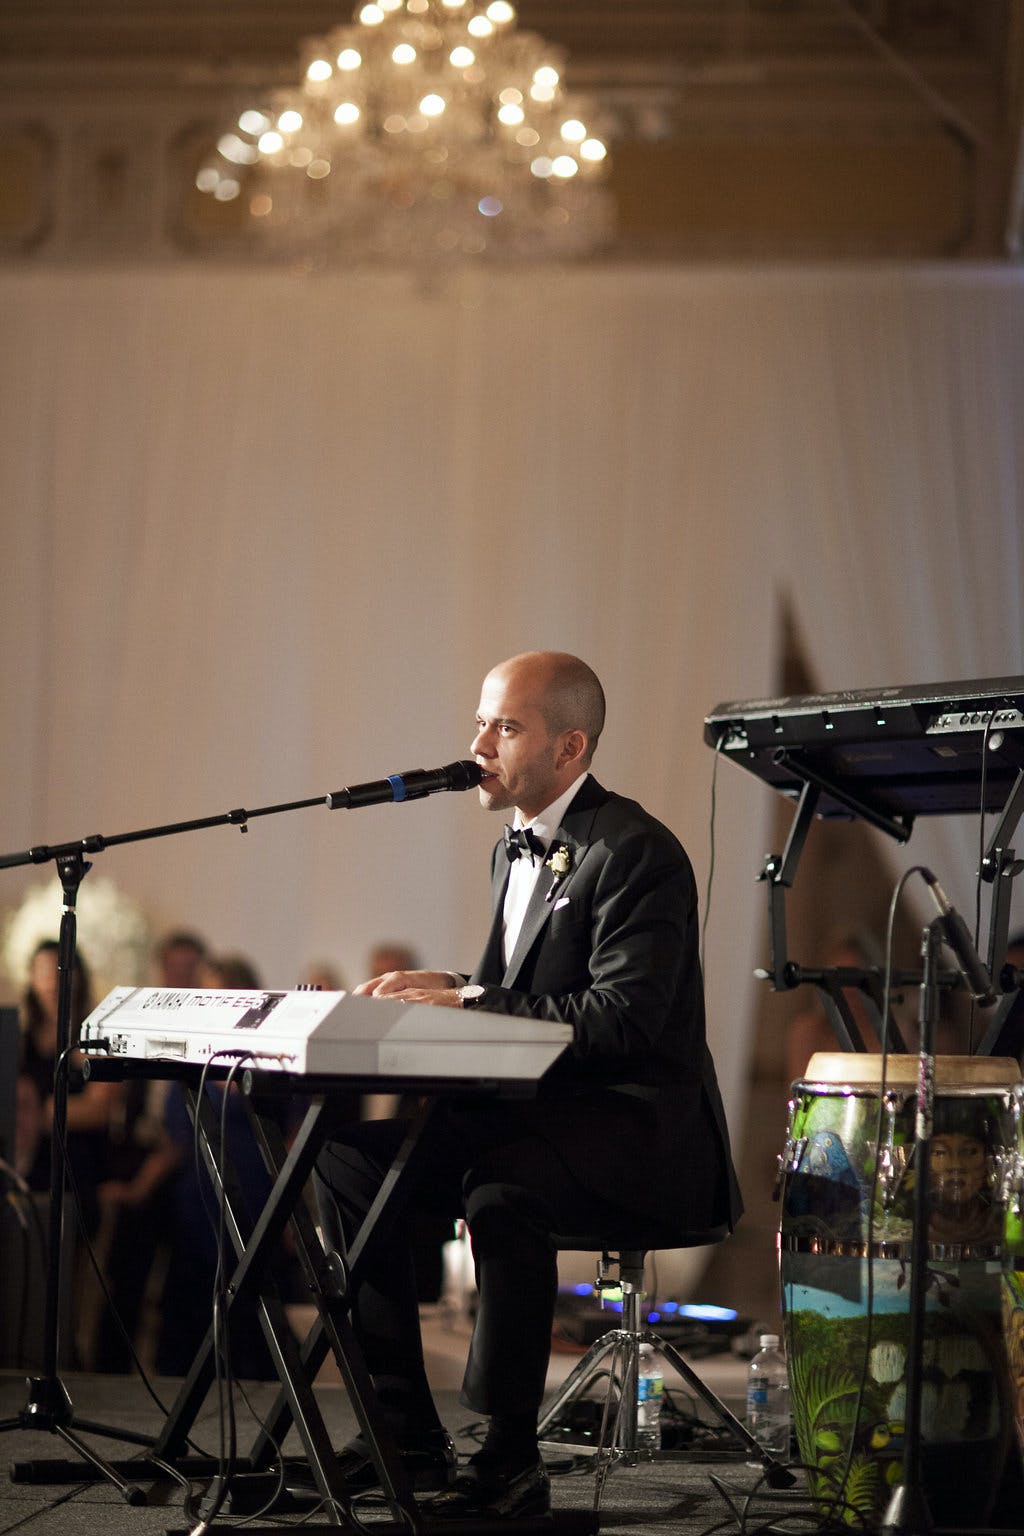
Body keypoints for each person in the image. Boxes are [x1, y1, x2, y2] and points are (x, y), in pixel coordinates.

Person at [314, 650, 742, 1519]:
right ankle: (402, 1434)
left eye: (505, 726)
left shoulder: (636, 852)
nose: (478, 743)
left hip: (636, 1133)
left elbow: (622, 1021)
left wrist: (467, 997)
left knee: (503, 1186)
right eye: (480, 720)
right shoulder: (517, 851)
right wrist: (433, 995)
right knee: (346, 1162)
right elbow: (523, 1001)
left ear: (569, 747)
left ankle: (509, 1459)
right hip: (539, 1115)